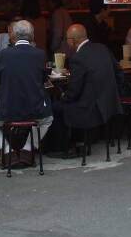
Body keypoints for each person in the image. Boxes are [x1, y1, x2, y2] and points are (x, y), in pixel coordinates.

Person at [0, 20, 53, 167]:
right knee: (48, 118)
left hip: (8, 109)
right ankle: (27, 150)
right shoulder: (40, 54)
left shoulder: (4, 54)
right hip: (34, 109)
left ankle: (8, 152)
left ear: (13, 36)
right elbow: (44, 79)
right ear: (32, 35)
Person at [46, 24, 124, 155]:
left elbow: (74, 91)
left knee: (55, 108)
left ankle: (63, 147)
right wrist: (112, 92)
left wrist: (63, 95)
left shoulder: (78, 58)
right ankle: (79, 142)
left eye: (67, 39)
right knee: (69, 103)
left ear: (72, 41)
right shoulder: (102, 48)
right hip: (109, 104)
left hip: (89, 109)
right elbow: (119, 73)